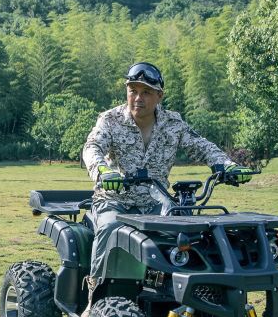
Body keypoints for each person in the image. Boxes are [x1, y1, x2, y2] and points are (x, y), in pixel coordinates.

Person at [81, 61, 253, 292]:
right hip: (115, 201)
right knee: (110, 228)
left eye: (146, 92)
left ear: (159, 96)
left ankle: (186, 294)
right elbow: (92, 147)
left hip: (156, 202)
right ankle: (96, 296)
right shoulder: (110, 120)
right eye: (133, 91)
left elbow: (201, 146)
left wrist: (226, 166)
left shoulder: (173, 124)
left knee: (189, 235)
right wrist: (103, 170)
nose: (138, 98)